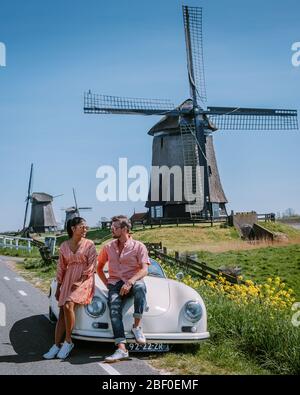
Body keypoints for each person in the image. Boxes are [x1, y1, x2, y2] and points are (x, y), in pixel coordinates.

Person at [97, 215, 150, 363]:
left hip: (132, 281)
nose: (112, 229)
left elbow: (145, 270)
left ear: (125, 229)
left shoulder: (139, 246)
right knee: (113, 308)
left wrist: (131, 281)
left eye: (115, 227)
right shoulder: (107, 247)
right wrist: (108, 284)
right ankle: (121, 348)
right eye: (112, 227)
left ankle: (137, 327)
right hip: (115, 283)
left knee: (140, 287)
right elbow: (99, 267)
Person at [43, 217, 97, 360]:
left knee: (68, 305)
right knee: (62, 311)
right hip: (68, 279)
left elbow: (91, 266)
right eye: (82, 227)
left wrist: (80, 280)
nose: (86, 229)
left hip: (84, 279)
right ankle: (56, 345)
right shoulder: (64, 246)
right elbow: (61, 267)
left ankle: (68, 341)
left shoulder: (89, 244)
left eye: (86, 227)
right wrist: (59, 286)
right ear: (73, 228)